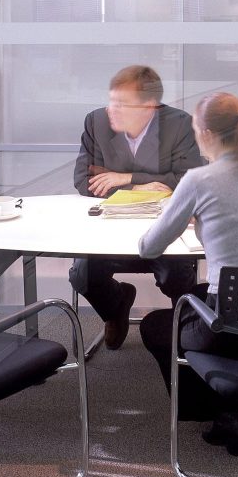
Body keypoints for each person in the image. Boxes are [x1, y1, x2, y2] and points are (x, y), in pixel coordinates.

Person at [136, 92, 238, 456]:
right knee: (203, 290)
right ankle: (231, 407)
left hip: (230, 325)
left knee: (158, 325)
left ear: (204, 133)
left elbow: (148, 248)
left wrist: (187, 216)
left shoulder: (198, 179)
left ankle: (221, 413)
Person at [71, 65, 203, 349]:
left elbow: (189, 180)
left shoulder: (179, 125)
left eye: (121, 104)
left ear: (149, 107)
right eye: (111, 101)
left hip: (166, 231)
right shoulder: (96, 122)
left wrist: (126, 177)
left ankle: (186, 336)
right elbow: (83, 180)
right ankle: (115, 306)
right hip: (111, 229)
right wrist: (139, 186)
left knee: (177, 277)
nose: (111, 110)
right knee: (82, 275)